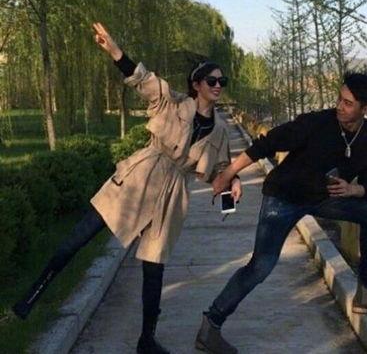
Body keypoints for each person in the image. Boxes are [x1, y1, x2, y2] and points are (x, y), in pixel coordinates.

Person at [13, 22, 242, 354]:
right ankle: (33, 293)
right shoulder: (170, 102)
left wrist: (233, 186)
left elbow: (220, 170)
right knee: (83, 233)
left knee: (154, 268)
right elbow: (142, 78)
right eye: (212, 81)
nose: (218, 86)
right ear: (196, 85)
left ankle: (146, 340)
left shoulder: (219, 131)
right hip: (141, 176)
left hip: (172, 197)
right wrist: (115, 51)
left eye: (223, 82)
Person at [195, 72, 367, 354]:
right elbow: (266, 144)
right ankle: (211, 325)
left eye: (348, 103)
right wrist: (228, 173)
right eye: (339, 99)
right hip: (283, 197)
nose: (340, 106)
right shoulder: (316, 123)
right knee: (260, 267)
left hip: (323, 199)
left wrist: (353, 190)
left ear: (365, 109)